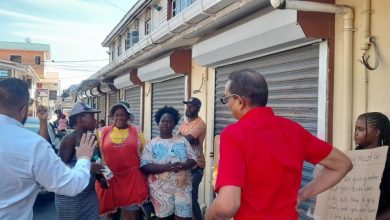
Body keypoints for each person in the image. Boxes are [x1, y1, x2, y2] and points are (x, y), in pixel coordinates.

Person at [205, 69, 353, 220]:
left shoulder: (234, 134)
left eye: (227, 99)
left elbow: (226, 206)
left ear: (239, 101)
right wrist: (301, 195)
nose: (227, 104)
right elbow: (343, 164)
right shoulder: (294, 130)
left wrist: (209, 215)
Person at [0, 78, 96, 219]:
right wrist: (84, 159)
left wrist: (43, 123)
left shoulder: (33, 145)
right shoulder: (33, 145)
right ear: (24, 110)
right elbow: (72, 185)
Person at [141, 106, 197, 220]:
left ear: (174, 124)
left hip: (183, 191)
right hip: (160, 192)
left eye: (169, 121)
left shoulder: (182, 140)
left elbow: (193, 159)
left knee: (184, 218)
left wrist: (182, 166)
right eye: (163, 121)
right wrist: (168, 167)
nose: (166, 124)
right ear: (158, 123)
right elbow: (145, 166)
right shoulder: (151, 145)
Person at [96, 101, 148, 220]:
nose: (120, 117)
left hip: (131, 181)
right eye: (117, 115)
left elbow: (144, 154)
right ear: (112, 116)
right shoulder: (102, 132)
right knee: (110, 215)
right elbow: (98, 155)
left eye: (123, 114)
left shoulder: (137, 132)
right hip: (110, 179)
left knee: (130, 216)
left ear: (128, 116)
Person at [55, 102, 104, 220]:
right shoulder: (69, 139)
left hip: (89, 195)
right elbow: (59, 169)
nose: (95, 120)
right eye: (91, 117)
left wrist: (101, 177)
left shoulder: (93, 138)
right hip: (70, 198)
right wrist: (88, 166)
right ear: (80, 118)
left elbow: (95, 162)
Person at [354, 112, 390, 219]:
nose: (355, 133)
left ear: (377, 132)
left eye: (360, 129)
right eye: (355, 129)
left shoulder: (387, 160)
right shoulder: (353, 157)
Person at [178, 97, 206, 220]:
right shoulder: (184, 124)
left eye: (191, 106)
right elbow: (177, 141)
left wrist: (187, 139)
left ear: (197, 108)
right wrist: (186, 139)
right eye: (187, 105)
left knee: (191, 198)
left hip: (196, 167)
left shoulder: (200, 123)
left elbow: (186, 140)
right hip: (185, 166)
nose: (188, 108)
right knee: (184, 199)